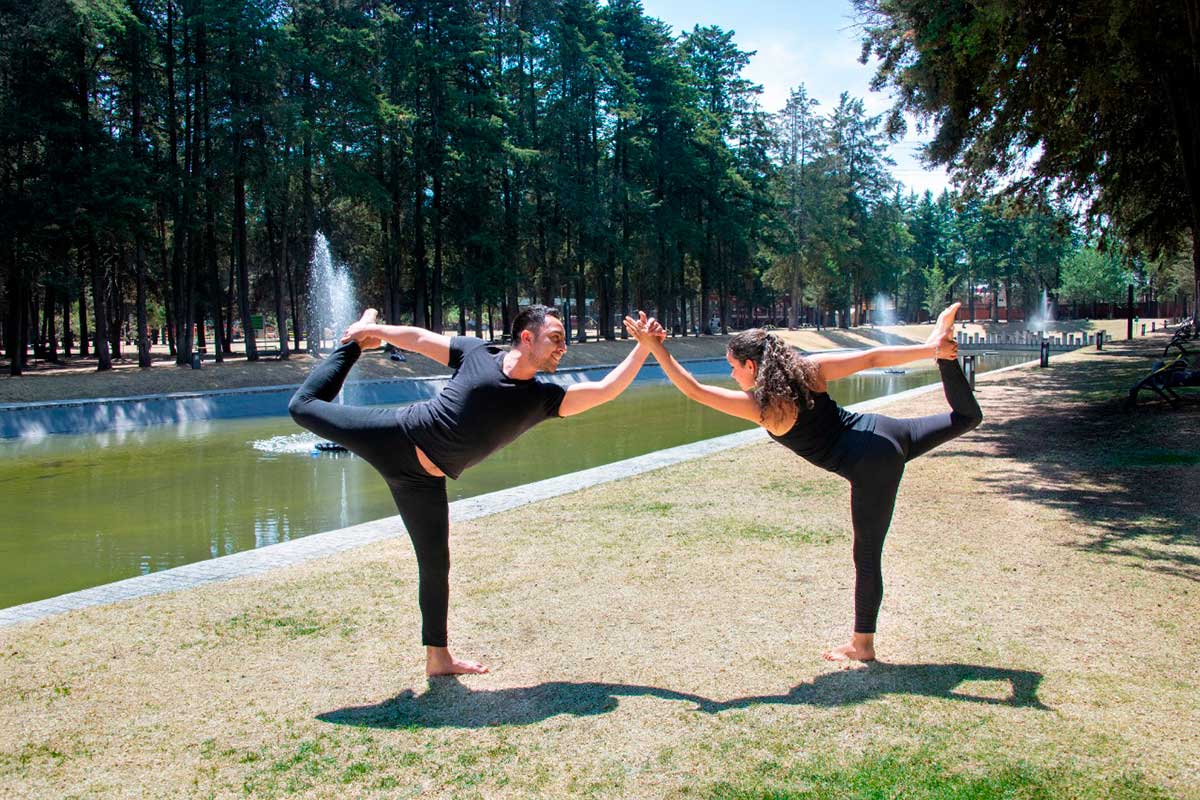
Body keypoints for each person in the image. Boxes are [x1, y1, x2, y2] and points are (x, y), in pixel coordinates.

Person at [290, 305, 655, 676]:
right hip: (395, 436)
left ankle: (438, 659)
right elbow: (419, 339)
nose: (563, 348)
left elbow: (606, 390)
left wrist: (643, 347)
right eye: (556, 339)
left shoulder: (543, 398)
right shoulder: (479, 353)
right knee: (302, 407)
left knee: (435, 564)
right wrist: (374, 331)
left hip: (422, 482)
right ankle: (353, 345)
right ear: (527, 338)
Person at [624, 303, 981, 663]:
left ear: (751, 366)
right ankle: (945, 354)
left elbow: (695, 391)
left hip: (873, 461)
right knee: (967, 417)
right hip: (888, 431)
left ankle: (862, 647)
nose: (732, 375)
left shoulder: (762, 407)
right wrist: (932, 350)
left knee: (867, 556)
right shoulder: (809, 372)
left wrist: (658, 348)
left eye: (733, 368)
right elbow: (872, 359)